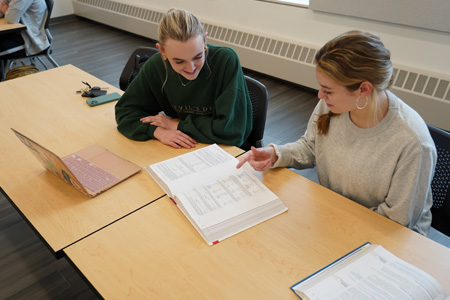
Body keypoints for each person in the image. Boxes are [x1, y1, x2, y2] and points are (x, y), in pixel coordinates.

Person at [237, 30, 437, 236]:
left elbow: (396, 221)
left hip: (387, 237)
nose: (320, 95)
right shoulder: (331, 106)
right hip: (337, 217)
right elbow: (311, 147)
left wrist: (335, 224)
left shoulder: (412, 142)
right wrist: (276, 154)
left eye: (328, 90)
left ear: (364, 89)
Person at [115, 8, 252, 149]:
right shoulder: (157, 65)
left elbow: (232, 131)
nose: (191, 68)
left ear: (204, 40)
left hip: (228, 151)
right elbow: (125, 112)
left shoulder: (226, 60)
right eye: (179, 61)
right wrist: (157, 131)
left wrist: (176, 125)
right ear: (162, 51)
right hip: (186, 145)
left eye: (198, 57)